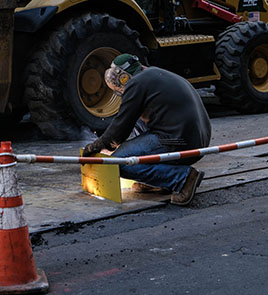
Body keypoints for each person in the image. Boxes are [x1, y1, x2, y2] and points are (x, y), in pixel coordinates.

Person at [82, 53, 211, 206]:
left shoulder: (136, 83)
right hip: (196, 137)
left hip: (180, 140)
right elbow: (128, 120)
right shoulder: (151, 75)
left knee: (119, 162)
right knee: (135, 119)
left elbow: (120, 129)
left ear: (123, 77)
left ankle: (182, 179)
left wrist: (98, 145)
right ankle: (158, 180)